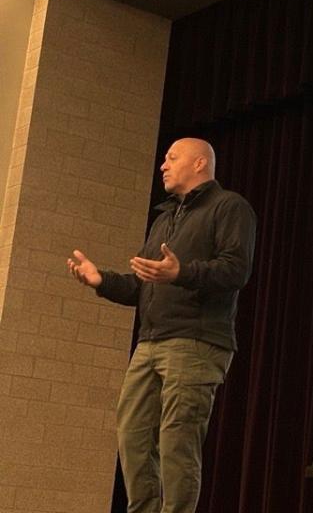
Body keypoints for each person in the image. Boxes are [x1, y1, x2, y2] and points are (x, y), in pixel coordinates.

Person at [67, 138, 256, 513]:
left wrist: (181, 272)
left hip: (196, 341)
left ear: (200, 163)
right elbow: (144, 285)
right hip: (150, 342)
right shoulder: (165, 218)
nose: (163, 165)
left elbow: (236, 269)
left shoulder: (229, 207)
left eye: (172, 158)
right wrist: (101, 281)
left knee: (176, 442)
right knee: (132, 437)